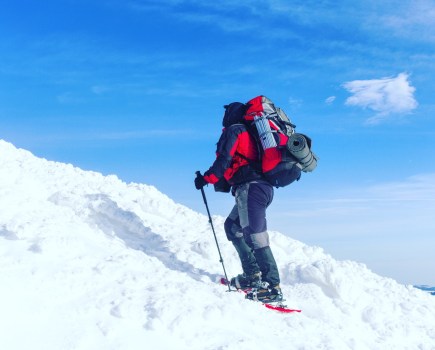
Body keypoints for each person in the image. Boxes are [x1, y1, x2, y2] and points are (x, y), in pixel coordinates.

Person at [194, 102, 283, 303]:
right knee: (233, 228)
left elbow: (224, 159)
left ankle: (272, 286)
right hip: (258, 189)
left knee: (255, 236)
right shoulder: (250, 133)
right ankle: (252, 276)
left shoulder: (235, 130)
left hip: (251, 188)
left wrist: (207, 179)